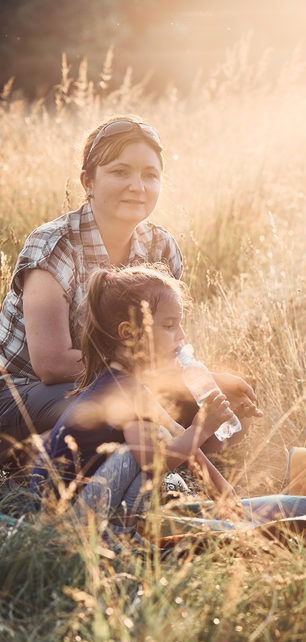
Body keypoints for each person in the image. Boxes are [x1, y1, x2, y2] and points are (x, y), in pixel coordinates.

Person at [0, 115, 258, 462]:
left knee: (229, 399)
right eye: (120, 172)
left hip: (120, 382)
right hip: (26, 392)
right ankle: (34, 460)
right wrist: (156, 380)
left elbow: (167, 344)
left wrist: (204, 382)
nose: (138, 186)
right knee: (113, 401)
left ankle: (164, 475)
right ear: (88, 181)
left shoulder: (161, 247)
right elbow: (52, 365)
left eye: (150, 175)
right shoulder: (54, 244)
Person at [31, 265, 239, 523]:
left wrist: (225, 493)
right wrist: (202, 429)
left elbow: (177, 433)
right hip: (62, 517)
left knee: (163, 434)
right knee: (139, 453)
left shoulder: (129, 384)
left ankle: (123, 529)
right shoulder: (121, 390)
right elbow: (153, 463)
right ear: (129, 334)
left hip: (77, 503)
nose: (182, 336)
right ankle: (114, 536)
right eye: (170, 325)